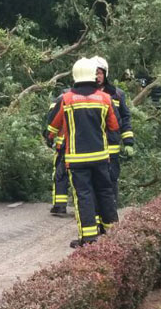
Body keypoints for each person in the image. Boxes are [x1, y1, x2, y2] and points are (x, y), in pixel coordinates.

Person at [44, 57, 119, 248]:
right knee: (105, 192)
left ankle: (88, 239)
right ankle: (114, 234)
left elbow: (53, 126)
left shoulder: (67, 99)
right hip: (101, 157)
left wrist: (49, 137)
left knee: (83, 195)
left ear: (75, 76)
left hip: (76, 159)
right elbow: (114, 126)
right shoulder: (105, 99)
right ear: (94, 76)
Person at [93, 56, 135, 219]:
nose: (97, 76)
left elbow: (125, 118)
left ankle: (110, 215)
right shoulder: (85, 94)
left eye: (99, 73)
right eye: (94, 73)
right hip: (93, 147)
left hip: (111, 146)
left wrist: (128, 141)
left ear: (105, 74)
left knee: (111, 181)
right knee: (93, 182)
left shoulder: (117, 94)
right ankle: (95, 216)